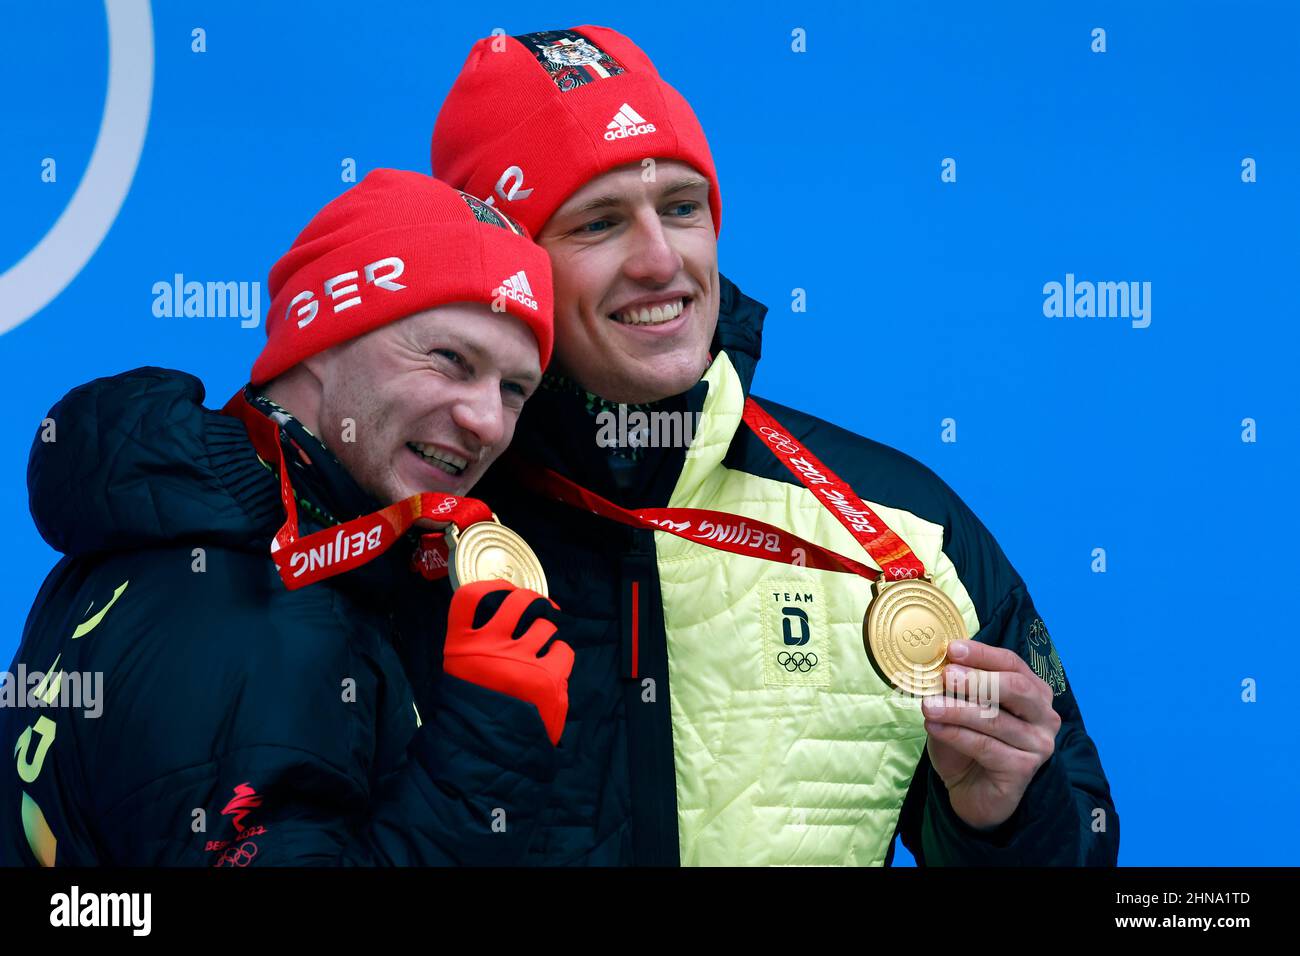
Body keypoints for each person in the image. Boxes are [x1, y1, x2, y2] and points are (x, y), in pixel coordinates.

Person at [430, 25, 1120, 865]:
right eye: (598, 223)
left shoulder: (901, 528)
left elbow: (1086, 840)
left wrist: (999, 817)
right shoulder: (412, 529)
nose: (662, 261)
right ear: (511, 267)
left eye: (682, 208)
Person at [0, 169, 574, 866]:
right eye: (450, 359)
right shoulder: (258, 615)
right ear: (323, 337)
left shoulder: (177, 512)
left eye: (515, 389)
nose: (486, 420)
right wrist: (488, 749)